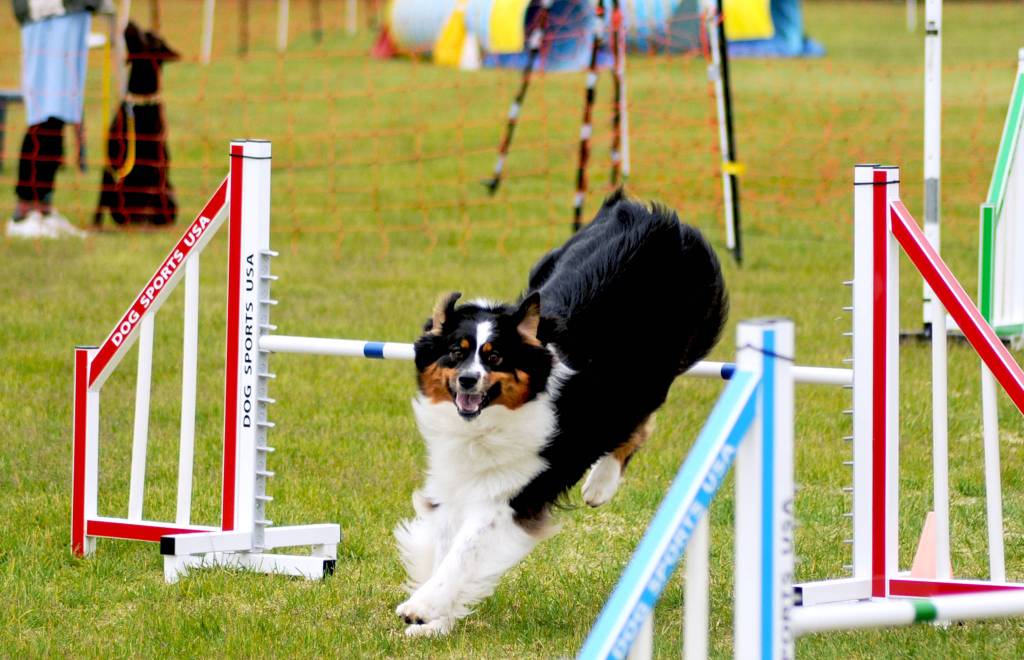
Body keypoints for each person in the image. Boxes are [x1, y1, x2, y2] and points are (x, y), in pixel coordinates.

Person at [7, 0, 110, 239]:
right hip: (47, 18)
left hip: (72, 14)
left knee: (60, 113)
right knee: (45, 113)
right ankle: (24, 212)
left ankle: (44, 208)